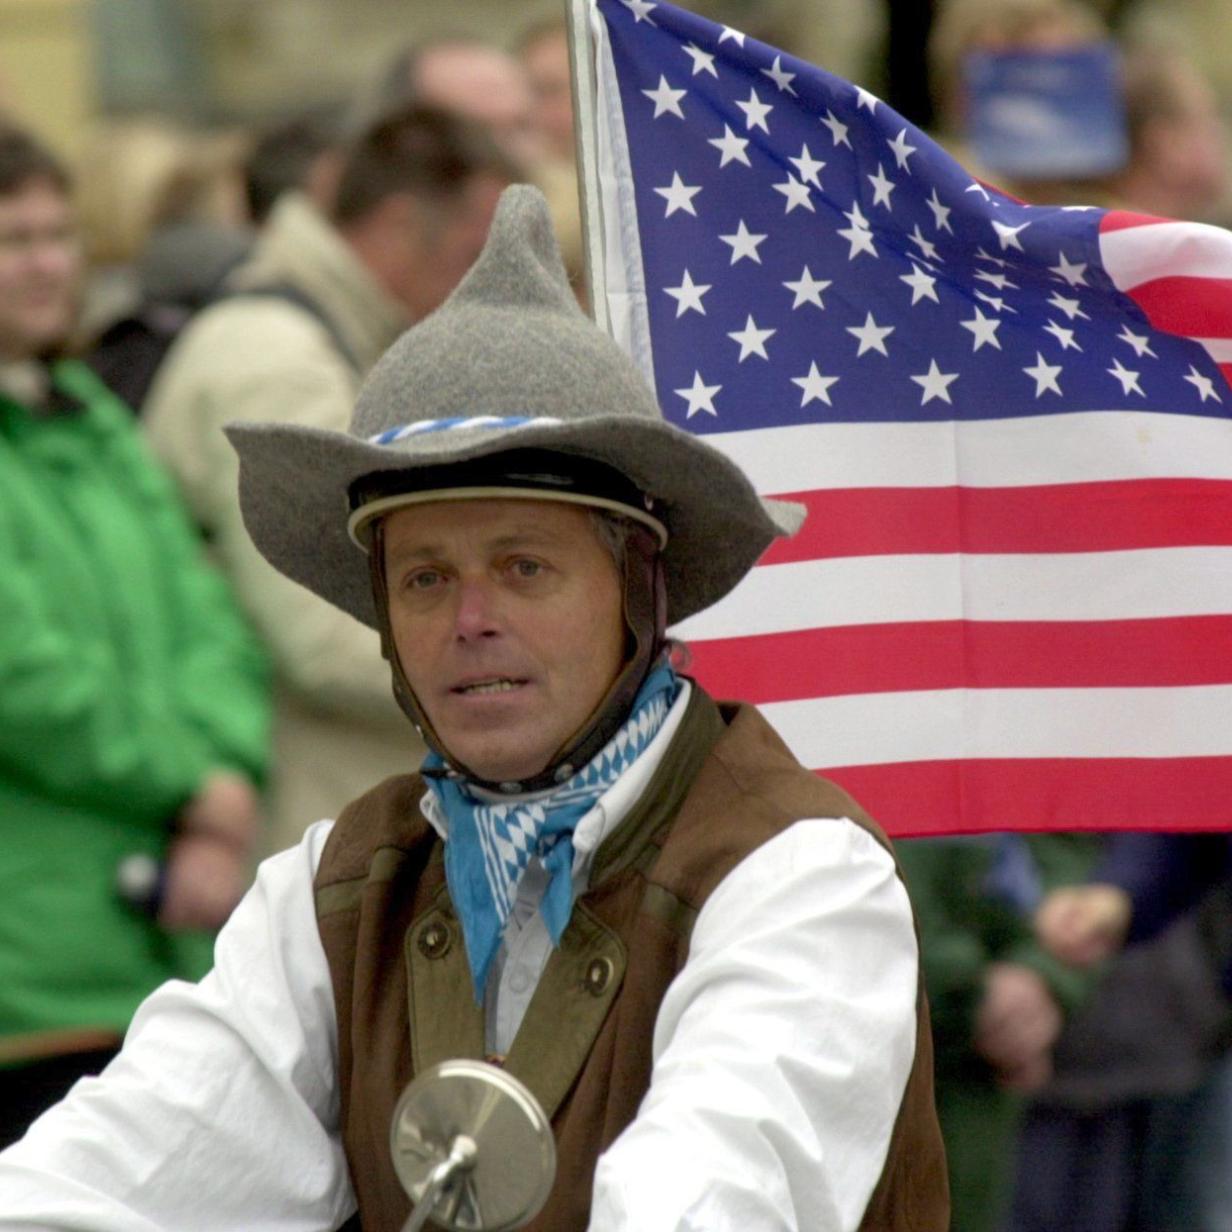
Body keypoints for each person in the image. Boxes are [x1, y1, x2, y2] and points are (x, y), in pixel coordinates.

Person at [0, 184, 949, 1230]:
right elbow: (116, 1168)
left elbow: (708, 1196)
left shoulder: (797, 875)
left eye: (525, 565)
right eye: (422, 577)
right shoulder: (335, 886)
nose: (469, 618)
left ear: (639, 587)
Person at [144, 106, 516, 856]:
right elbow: (319, 638)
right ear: (401, 223)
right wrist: (527, 671)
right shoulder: (277, 363)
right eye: (475, 249)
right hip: (295, 814)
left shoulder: (321, 338)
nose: (485, 281)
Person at [0, 122, 270, 1148]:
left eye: (59, 234)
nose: (44, 262)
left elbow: (209, 614)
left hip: (161, 943)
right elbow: (24, 677)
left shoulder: (87, 413)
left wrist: (227, 775)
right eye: (12, 237)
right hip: (31, 966)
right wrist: (190, 786)